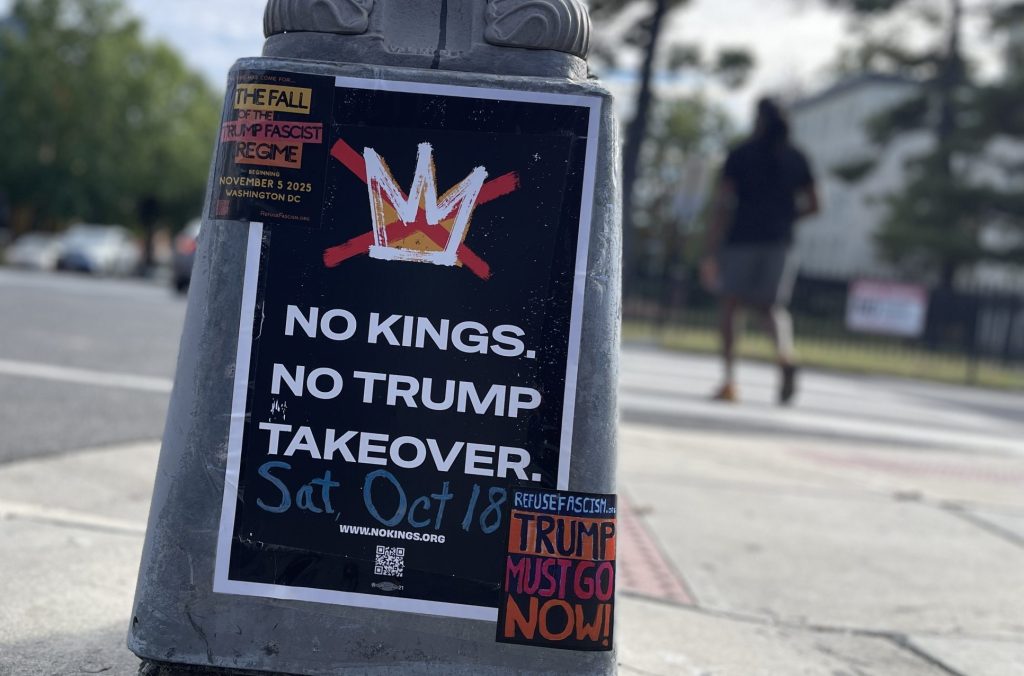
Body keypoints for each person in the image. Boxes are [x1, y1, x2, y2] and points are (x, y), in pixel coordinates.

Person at [701, 98, 819, 405]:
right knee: (771, 307)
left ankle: (729, 380)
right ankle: (785, 356)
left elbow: (723, 203)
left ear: (758, 120)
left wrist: (711, 248)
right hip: (779, 242)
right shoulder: (797, 157)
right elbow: (815, 204)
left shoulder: (741, 154)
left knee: (731, 306)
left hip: (742, 238)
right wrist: (787, 218)